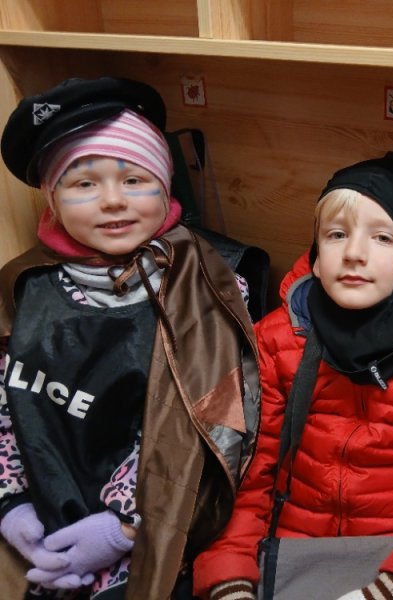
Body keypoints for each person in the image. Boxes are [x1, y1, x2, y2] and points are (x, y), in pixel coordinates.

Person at [193, 152, 393, 600]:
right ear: (317, 257)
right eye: (336, 235)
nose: (354, 253)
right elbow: (240, 476)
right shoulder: (275, 342)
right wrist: (230, 579)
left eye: (382, 237)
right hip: (288, 556)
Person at [0, 77, 260, 599]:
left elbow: (222, 423)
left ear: (165, 186)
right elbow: (7, 405)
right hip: (43, 523)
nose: (113, 201)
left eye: (135, 178)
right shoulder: (22, 285)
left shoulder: (210, 287)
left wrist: (122, 526)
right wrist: (11, 503)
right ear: (52, 198)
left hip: (154, 531)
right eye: (83, 183)